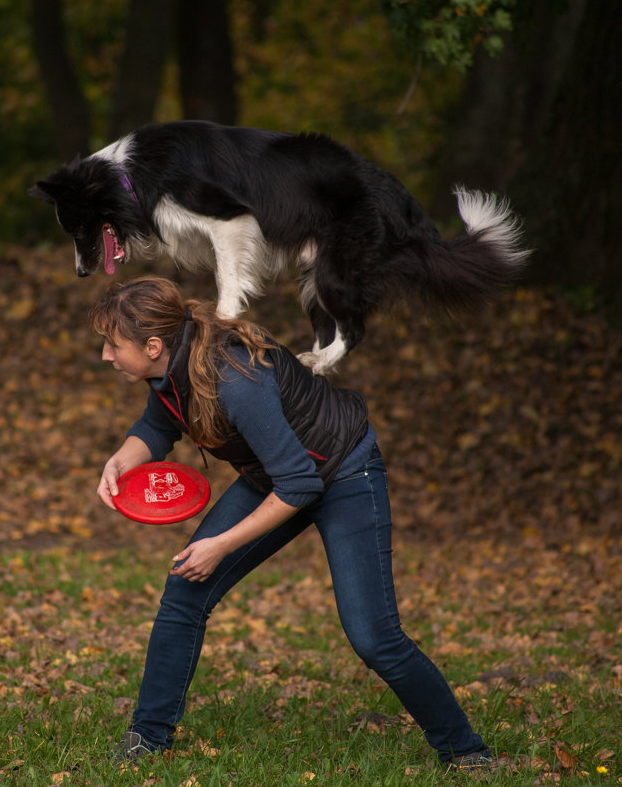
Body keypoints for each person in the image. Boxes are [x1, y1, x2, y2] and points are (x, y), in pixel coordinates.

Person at [89, 276, 493, 773]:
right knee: (184, 593)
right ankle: (147, 739)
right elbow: (157, 425)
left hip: (343, 472)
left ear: (153, 346)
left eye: (113, 344)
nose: (107, 355)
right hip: (276, 475)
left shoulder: (235, 379)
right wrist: (122, 461)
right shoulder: (174, 363)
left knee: (374, 637)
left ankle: (467, 751)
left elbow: (300, 485)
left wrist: (221, 545)